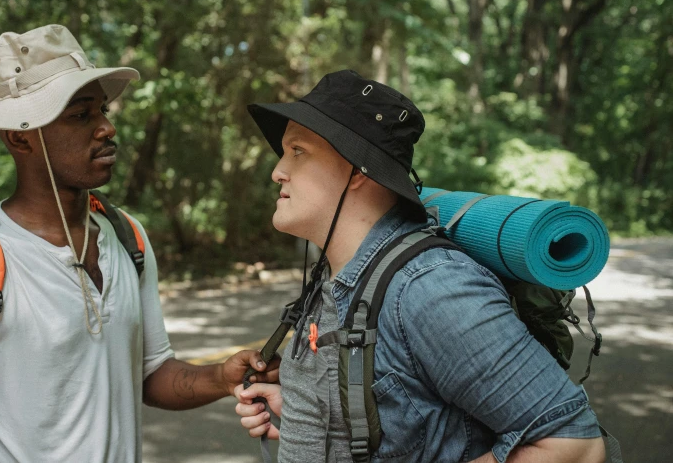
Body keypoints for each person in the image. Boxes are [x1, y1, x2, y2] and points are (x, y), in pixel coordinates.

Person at [0, 24, 274, 462]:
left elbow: (148, 375)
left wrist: (221, 376)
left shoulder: (128, 237)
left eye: (102, 110)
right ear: (20, 137)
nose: (106, 128)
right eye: (81, 116)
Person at [233, 70, 606, 462]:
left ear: (356, 169)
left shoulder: (429, 287)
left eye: (298, 151)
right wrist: (308, 415)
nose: (278, 170)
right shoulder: (335, 277)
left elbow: (573, 444)